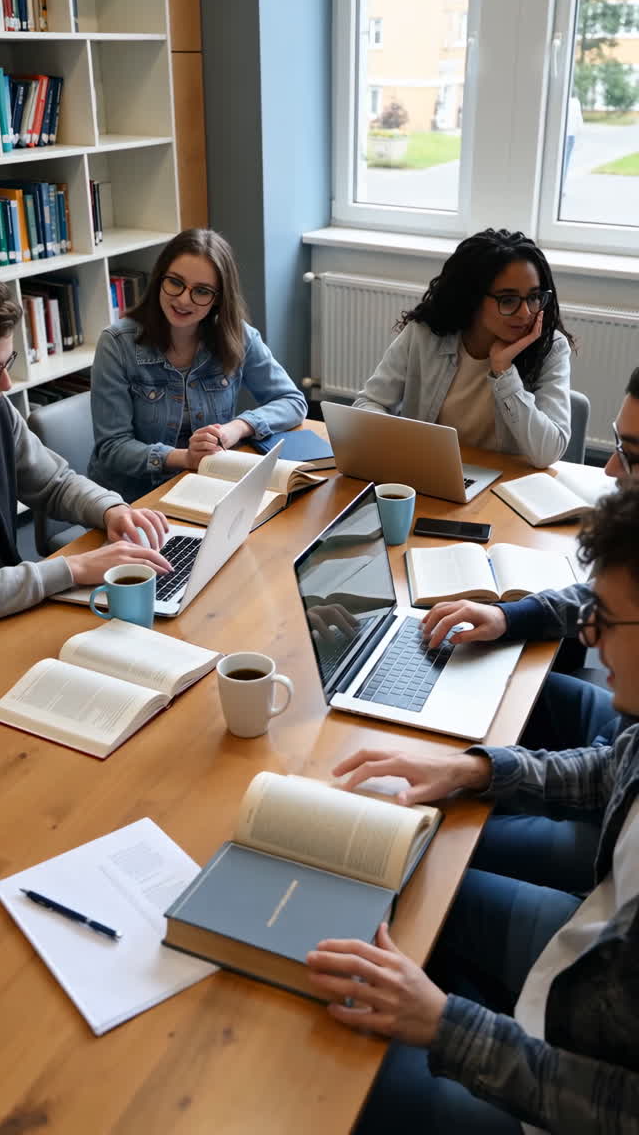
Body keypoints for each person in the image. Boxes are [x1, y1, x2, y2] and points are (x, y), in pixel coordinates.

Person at [307, 482, 639, 1133]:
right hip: (589, 957)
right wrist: (472, 767)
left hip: (567, 1090)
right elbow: (613, 766)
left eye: (605, 617)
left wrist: (444, 1024)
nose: (589, 636)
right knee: (416, 886)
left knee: (331, 1081)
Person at [418, 367, 639, 893]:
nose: (610, 470)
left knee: (432, 845)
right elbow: (619, 769)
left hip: (612, 844)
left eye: (632, 453)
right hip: (619, 754)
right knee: (498, 692)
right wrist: (508, 616)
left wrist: (484, 772)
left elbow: (611, 779)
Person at [0, 264, 171, 629]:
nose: (6, 384)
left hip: (1, 617)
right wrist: (74, 568)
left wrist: (111, 510)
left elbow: (54, 483)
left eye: (8, 363)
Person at [88, 228, 307, 503]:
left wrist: (237, 427)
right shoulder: (117, 344)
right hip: (133, 499)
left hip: (207, 487)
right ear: (159, 279)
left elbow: (292, 401)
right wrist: (186, 458)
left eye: (201, 291)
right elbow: (112, 448)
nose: (183, 300)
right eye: (175, 282)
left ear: (218, 298)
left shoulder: (237, 336)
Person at [353, 228, 573, 469]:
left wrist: (504, 373)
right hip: (428, 473)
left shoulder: (550, 348)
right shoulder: (425, 333)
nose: (526, 313)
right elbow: (369, 403)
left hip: (504, 485)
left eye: (533, 297)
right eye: (508, 300)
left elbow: (548, 452)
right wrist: (402, 445)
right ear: (473, 298)